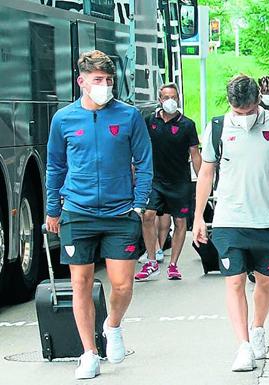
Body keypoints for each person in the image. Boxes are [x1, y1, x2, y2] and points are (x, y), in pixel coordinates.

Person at [45, 50, 152, 379]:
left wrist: (138, 203)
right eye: (97, 80)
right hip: (77, 211)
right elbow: (55, 166)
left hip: (121, 213)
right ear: (82, 82)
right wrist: (52, 208)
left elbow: (145, 162)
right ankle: (89, 353)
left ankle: (113, 325)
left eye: (108, 80)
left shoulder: (128, 116)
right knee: (81, 283)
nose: (104, 85)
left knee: (122, 285)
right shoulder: (63, 119)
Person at [193, 75, 269, 372]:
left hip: (266, 220)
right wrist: (198, 217)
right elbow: (206, 174)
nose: (243, 117)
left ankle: (258, 328)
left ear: (258, 101)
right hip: (229, 219)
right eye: (238, 112)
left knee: (266, 282)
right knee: (234, 282)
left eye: (249, 112)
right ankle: (243, 345)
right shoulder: (217, 126)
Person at [135, 83, 201, 281]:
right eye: (166, 97)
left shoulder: (187, 125)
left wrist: (202, 181)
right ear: (160, 99)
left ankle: (173, 264)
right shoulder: (149, 121)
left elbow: (195, 154)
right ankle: (152, 261)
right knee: (148, 216)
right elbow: (140, 148)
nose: (170, 100)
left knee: (179, 221)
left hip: (179, 181)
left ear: (178, 99)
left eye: (173, 97)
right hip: (155, 179)